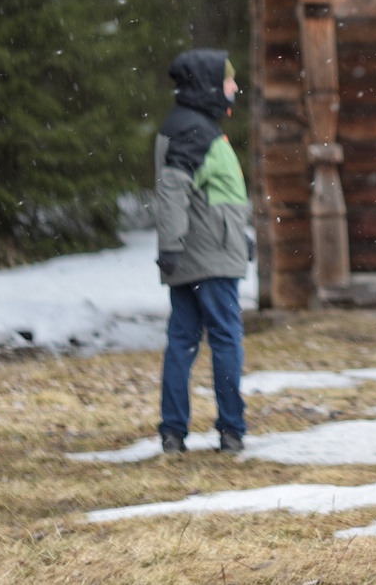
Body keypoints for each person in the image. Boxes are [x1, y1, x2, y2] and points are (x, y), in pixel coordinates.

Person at [154, 48, 254, 454]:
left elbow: (213, 192)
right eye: (229, 80)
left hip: (199, 252)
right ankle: (231, 429)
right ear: (210, 84)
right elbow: (173, 186)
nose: (234, 88)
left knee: (182, 340)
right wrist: (172, 244)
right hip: (206, 258)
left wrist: (239, 234)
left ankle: (173, 431)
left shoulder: (190, 125)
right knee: (226, 339)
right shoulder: (196, 129)